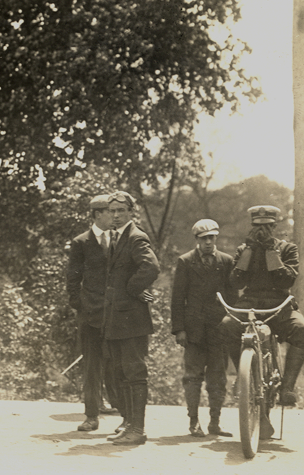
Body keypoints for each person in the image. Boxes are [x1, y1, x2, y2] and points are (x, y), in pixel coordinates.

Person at [220, 205, 304, 438]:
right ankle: (242, 378)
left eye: (267, 227)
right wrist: (249, 252)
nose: (262, 232)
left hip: (278, 304)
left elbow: (285, 282)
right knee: (227, 326)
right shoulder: (244, 249)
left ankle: (288, 387)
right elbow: (236, 283)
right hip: (250, 303)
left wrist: (271, 251)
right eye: (257, 227)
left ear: (274, 227)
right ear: (252, 228)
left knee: (301, 329)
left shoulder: (287, 248)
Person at [101, 191, 160, 446]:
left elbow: (151, 267)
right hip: (117, 317)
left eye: (120, 211)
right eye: (112, 210)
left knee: (134, 371)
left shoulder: (136, 237)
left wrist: (133, 290)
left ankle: (138, 429)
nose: (115, 215)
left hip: (132, 318)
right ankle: (127, 423)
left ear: (130, 212)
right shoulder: (117, 237)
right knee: (120, 372)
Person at [170, 219, 235, 437]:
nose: (208, 242)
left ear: (216, 238)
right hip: (194, 332)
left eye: (212, 237)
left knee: (218, 378)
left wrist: (232, 324)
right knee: (192, 377)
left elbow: (233, 298)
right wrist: (179, 329)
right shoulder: (186, 262)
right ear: (196, 240)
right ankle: (193, 422)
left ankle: (215, 423)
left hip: (219, 330)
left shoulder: (226, 262)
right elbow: (177, 298)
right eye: (203, 238)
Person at [65, 194, 120, 433]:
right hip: (90, 315)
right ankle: (91, 416)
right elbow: (72, 278)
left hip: (116, 314)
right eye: (110, 212)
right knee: (92, 366)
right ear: (98, 214)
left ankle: (126, 418)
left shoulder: (120, 239)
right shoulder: (81, 242)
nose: (114, 216)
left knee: (117, 364)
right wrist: (82, 306)